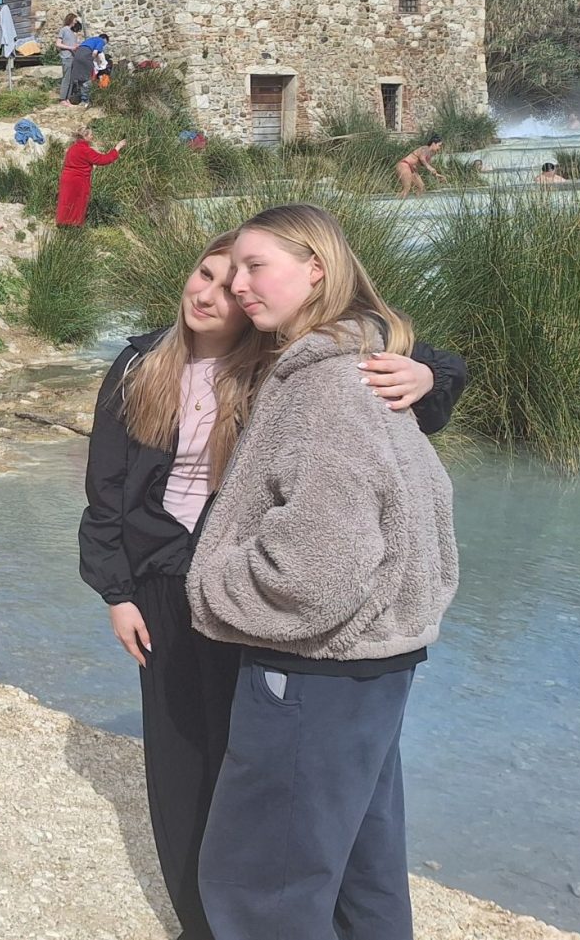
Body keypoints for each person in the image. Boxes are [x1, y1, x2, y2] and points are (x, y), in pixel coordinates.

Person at [81, 229, 463, 940]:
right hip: (165, 584)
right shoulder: (141, 363)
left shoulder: (284, 365)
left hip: (248, 590)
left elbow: (399, 363)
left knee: (260, 779)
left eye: (236, 281)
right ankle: (202, 922)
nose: (213, 292)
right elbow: (106, 488)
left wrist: (427, 376)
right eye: (206, 274)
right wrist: (116, 591)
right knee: (182, 757)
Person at [188, 203, 460, 940]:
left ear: (316, 268)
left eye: (257, 266)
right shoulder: (363, 363)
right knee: (360, 874)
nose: (239, 285)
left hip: (314, 666)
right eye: (234, 269)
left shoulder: (326, 386)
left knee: (260, 883)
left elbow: (317, 569)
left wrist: (215, 581)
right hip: (375, 660)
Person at [56, 126, 125, 226]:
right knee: (78, 204)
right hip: (78, 181)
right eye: (91, 135)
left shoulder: (72, 148)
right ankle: (73, 226)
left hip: (66, 179)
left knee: (66, 202)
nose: (92, 137)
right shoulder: (86, 150)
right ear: (85, 136)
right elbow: (103, 160)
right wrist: (117, 148)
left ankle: (63, 224)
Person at [57, 14, 85, 105]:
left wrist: (77, 46)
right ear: (70, 19)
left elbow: (73, 45)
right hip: (66, 57)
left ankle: (68, 98)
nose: (76, 22)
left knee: (72, 79)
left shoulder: (73, 32)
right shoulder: (64, 30)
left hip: (73, 57)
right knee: (66, 78)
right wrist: (71, 48)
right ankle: (62, 99)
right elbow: (58, 44)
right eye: (75, 20)